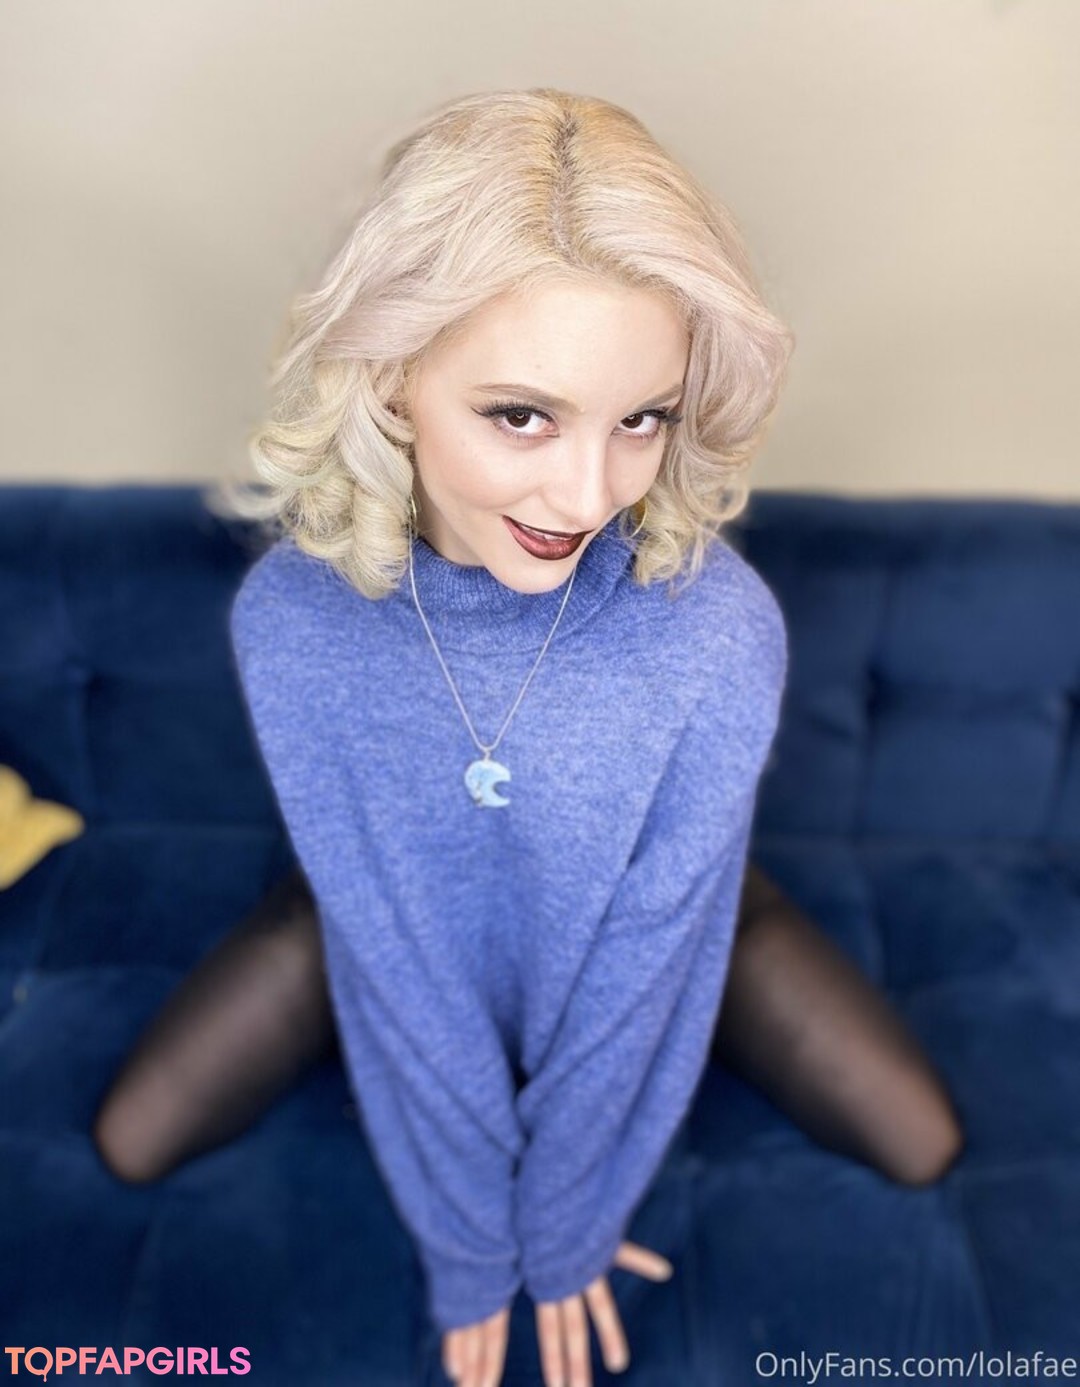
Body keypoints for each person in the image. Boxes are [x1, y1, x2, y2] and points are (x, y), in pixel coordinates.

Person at [91, 88, 963, 1387]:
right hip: (387, 908)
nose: (589, 492)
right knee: (131, 1138)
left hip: (663, 918)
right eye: (522, 415)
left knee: (921, 1140)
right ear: (392, 377)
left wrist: (564, 1231)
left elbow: (639, 982)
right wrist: (467, 1245)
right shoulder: (294, 621)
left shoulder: (716, 633)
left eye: (641, 417)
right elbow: (398, 956)